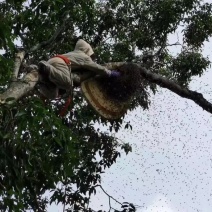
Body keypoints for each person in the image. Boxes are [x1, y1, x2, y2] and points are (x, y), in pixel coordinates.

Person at [38, 39, 120, 99]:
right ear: (86, 50)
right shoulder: (83, 56)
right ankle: (47, 68)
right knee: (67, 82)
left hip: (53, 62)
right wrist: (109, 73)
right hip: (58, 63)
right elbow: (97, 67)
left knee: (53, 95)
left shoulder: (74, 54)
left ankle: (42, 79)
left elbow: (76, 76)